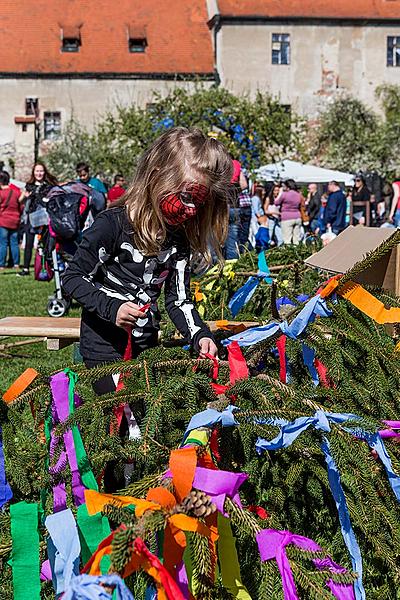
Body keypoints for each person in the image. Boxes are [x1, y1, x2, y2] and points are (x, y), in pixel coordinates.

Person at [62, 127, 233, 384]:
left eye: (199, 202)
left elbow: (179, 301)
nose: (191, 210)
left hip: (146, 347)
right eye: (187, 197)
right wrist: (113, 308)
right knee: (120, 418)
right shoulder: (112, 225)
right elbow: (73, 277)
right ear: (157, 178)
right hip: (103, 346)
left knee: (146, 417)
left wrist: (200, 335)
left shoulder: (178, 239)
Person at [17, 162, 58, 277]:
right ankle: (25, 268)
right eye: (37, 171)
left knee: (45, 244)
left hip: (45, 219)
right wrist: (24, 196)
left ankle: (46, 267)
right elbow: (20, 201)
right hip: (31, 218)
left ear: (44, 172)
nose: (39, 173)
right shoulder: (29, 186)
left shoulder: (49, 186)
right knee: (29, 244)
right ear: (33, 173)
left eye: (41, 171)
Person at [0, 171, 22, 269]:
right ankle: (16, 264)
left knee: (3, 243)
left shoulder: (1, 193)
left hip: (3, 220)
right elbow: (21, 206)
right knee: (14, 243)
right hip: (15, 220)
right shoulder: (16, 192)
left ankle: (1, 264)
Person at [274, 179, 302, 245]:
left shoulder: (285, 194)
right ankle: (298, 253)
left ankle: (289, 254)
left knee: (287, 239)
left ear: (287, 186)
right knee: (296, 239)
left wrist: (280, 193)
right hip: (297, 216)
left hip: (287, 218)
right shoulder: (298, 194)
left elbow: (276, 202)